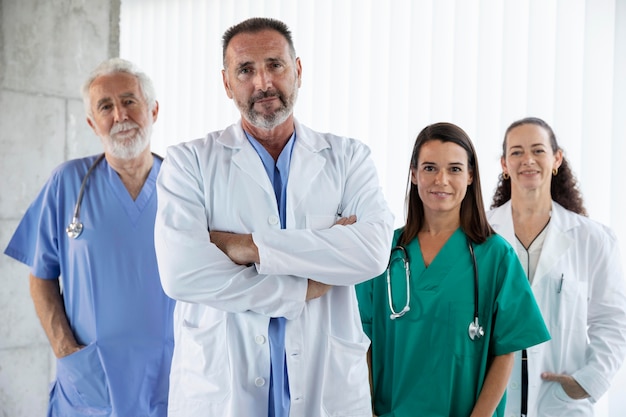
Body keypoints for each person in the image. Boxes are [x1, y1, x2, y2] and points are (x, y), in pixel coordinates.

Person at [153, 17, 394, 417]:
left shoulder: (349, 157)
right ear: (227, 84)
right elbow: (182, 273)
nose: (263, 82)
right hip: (221, 391)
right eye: (245, 70)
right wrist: (300, 288)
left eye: (275, 65)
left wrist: (246, 246)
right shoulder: (188, 162)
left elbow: (371, 252)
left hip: (327, 387)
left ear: (297, 71)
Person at [3, 58, 175, 416]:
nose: (120, 116)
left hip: (171, 375)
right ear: (92, 122)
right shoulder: (67, 183)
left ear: (154, 109)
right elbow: (41, 277)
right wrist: (65, 349)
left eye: (130, 101)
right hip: (92, 380)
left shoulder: (183, 185)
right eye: (105, 106)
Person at [356, 122, 550, 417]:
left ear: (471, 176)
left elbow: (506, 350)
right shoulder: (383, 251)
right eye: (430, 168)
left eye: (455, 169)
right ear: (414, 174)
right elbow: (362, 343)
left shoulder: (495, 255)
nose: (441, 180)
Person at [488, 116, 626, 416]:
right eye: (516, 152)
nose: (528, 160)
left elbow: (613, 321)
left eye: (538, 150)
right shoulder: (480, 234)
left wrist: (588, 381)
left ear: (556, 159)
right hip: (492, 397)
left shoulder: (593, 239)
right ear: (504, 165)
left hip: (559, 402)